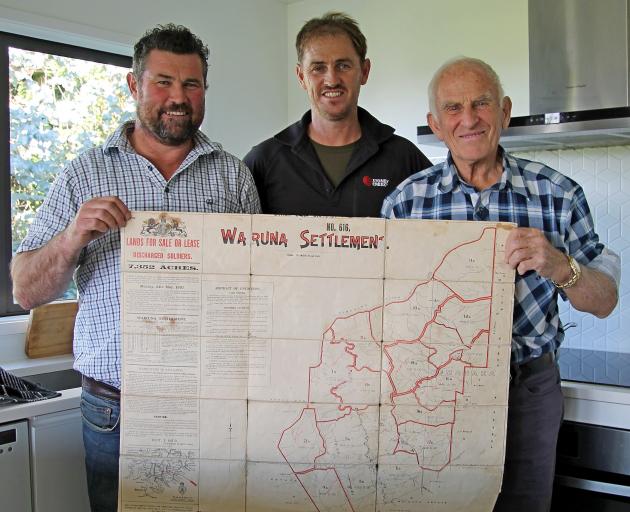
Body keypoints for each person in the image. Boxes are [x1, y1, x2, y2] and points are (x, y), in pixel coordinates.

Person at [11, 24, 260, 512]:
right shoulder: (84, 173)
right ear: (134, 85)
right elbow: (25, 290)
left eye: (192, 84)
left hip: (213, 406)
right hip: (115, 410)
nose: (178, 97)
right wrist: (71, 238)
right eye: (163, 81)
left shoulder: (234, 176)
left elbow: (256, 285)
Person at [381, 57, 620, 512]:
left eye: (481, 103)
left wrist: (558, 265)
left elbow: (605, 300)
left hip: (528, 390)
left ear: (505, 111)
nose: (468, 119)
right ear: (435, 123)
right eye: (453, 108)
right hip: (432, 391)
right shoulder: (405, 203)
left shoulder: (558, 194)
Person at [244, 11, 431, 216]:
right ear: (301, 76)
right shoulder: (263, 161)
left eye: (343, 65)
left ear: (365, 71)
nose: (332, 79)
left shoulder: (404, 158)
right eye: (318, 68)